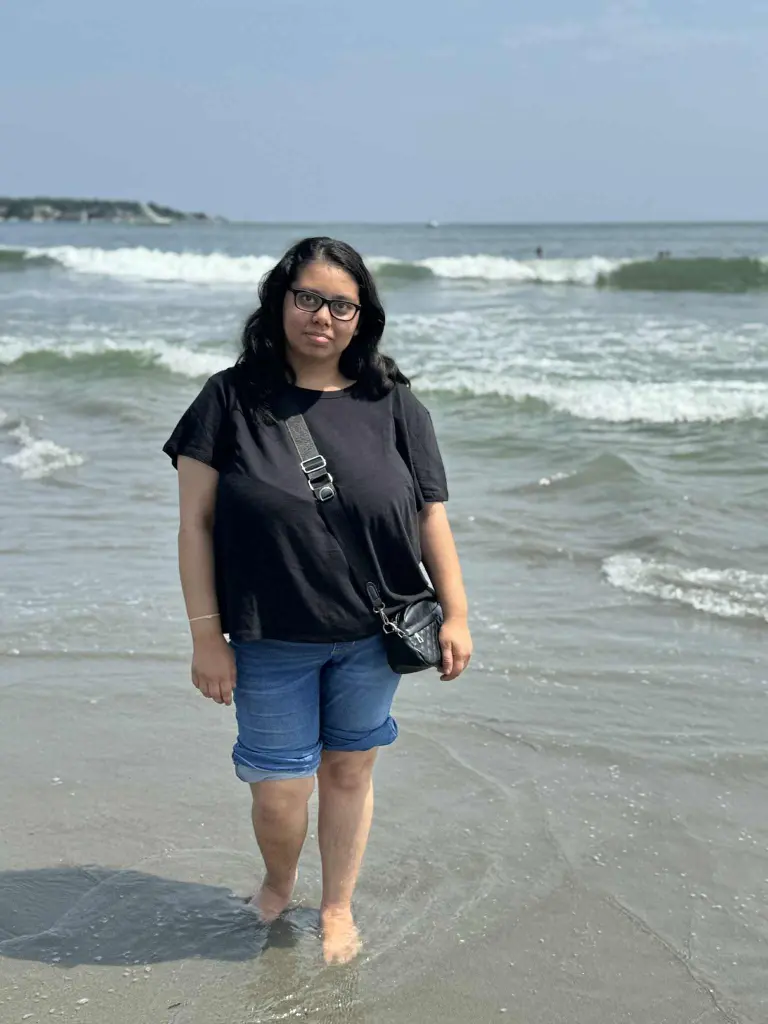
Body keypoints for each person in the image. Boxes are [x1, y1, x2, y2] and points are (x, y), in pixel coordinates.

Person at [162, 236, 472, 964]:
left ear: (362, 318)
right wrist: (206, 637)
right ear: (280, 301)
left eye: (341, 305)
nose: (322, 316)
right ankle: (278, 883)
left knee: (350, 769)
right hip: (268, 637)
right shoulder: (229, 398)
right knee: (278, 790)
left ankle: (336, 906)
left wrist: (458, 614)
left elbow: (430, 516)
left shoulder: (393, 403)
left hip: (374, 633)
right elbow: (194, 524)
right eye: (307, 298)